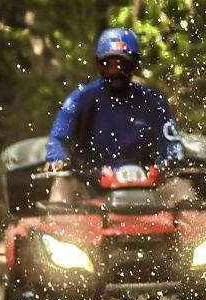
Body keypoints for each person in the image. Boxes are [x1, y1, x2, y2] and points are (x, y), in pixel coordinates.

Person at [42, 27, 195, 206]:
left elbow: (171, 141)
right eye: (109, 65)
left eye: (123, 65)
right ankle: (62, 230)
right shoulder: (81, 98)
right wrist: (58, 159)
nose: (116, 71)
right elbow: (58, 138)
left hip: (150, 187)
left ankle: (192, 233)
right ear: (99, 65)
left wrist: (171, 160)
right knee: (63, 186)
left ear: (135, 66)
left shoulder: (153, 101)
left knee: (181, 188)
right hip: (91, 187)